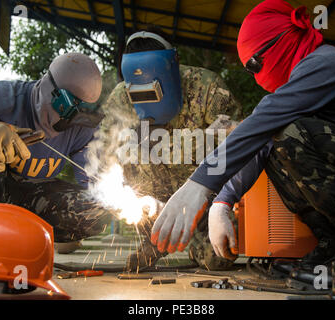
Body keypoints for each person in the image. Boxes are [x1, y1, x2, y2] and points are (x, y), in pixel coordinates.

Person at [151, 0, 335, 290]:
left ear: (281, 42)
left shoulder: (326, 64)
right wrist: (221, 202)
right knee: (278, 142)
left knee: (292, 135)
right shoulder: (306, 81)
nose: (255, 76)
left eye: (254, 64)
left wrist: (199, 184)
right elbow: (261, 141)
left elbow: (261, 124)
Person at [93, 27, 242, 271]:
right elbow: (104, 154)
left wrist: (222, 205)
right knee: (126, 147)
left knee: (220, 258)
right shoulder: (122, 97)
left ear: (174, 65)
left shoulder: (206, 87)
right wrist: (129, 198)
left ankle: (190, 236)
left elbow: (236, 149)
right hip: (152, 200)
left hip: (203, 199)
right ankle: (156, 235)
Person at [0, 52, 112, 254]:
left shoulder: (82, 128)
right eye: (70, 112)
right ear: (52, 92)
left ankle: (36, 234)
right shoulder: (1, 98)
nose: (71, 125)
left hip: (27, 198)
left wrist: (115, 197)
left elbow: (93, 181)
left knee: (98, 209)